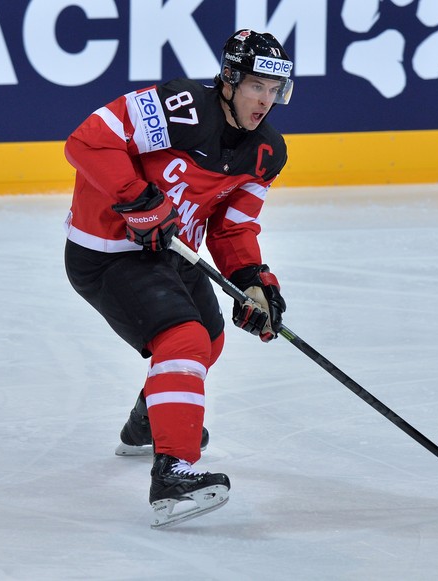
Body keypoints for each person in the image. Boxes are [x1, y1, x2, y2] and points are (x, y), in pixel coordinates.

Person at [62, 29, 292, 527]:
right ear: (229, 79)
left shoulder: (265, 152)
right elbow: (88, 140)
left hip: (171, 254)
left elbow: (233, 227)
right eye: (257, 86)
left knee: (208, 339)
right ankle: (174, 473)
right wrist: (138, 198)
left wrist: (252, 277)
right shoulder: (181, 105)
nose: (266, 101)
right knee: (183, 339)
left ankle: (148, 422)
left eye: (275, 91)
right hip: (108, 252)